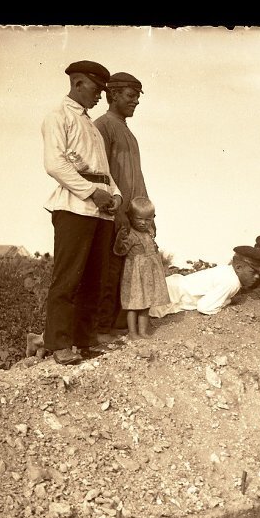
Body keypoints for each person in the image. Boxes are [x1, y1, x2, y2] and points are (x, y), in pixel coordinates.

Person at [41, 60, 124, 365]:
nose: (100, 95)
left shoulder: (91, 125)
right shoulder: (58, 117)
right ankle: (59, 345)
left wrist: (115, 194)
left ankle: (84, 340)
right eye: (96, 88)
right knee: (67, 279)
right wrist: (92, 192)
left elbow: (104, 172)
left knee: (94, 279)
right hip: (74, 205)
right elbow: (55, 164)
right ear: (78, 84)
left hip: (100, 210)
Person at [94, 71, 149, 342]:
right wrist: (116, 214)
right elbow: (99, 173)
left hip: (133, 216)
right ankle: (101, 330)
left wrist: (148, 215)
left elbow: (136, 177)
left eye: (138, 96)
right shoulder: (102, 126)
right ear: (113, 94)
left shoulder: (128, 132)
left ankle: (116, 326)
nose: (136, 101)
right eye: (131, 95)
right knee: (107, 272)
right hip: (112, 214)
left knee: (129, 272)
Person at [150, 246, 260, 317]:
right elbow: (205, 307)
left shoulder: (226, 271)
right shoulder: (231, 281)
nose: (257, 276)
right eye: (253, 272)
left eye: (259, 273)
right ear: (239, 268)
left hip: (169, 286)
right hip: (167, 296)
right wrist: (228, 301)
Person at [115, 197, 169, 339]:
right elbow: (120, 251)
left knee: (146, 303)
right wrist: (120, 239)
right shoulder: (131, 234)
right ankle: (133, 332)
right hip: (134, 275)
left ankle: (143, 331)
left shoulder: (149, 233)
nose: (144, 223)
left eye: (148, 219)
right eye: (140, 219)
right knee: (133, 304)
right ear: (131, 217)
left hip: (148, 275)